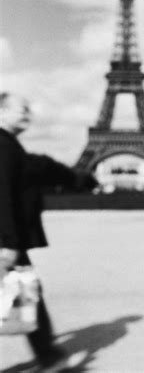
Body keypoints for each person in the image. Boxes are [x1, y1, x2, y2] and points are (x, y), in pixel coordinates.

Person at [0, 92, 96, 370]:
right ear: (2, 112)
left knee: (29, 293)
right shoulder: (4, 147)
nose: (28, 113)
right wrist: (7, 241)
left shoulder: (9, 146)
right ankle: (49, 355)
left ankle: (48, 354)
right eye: (22, 109)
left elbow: (34, 171)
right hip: (5, 240)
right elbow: (2, 195)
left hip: (7, 238)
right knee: (30, 294)